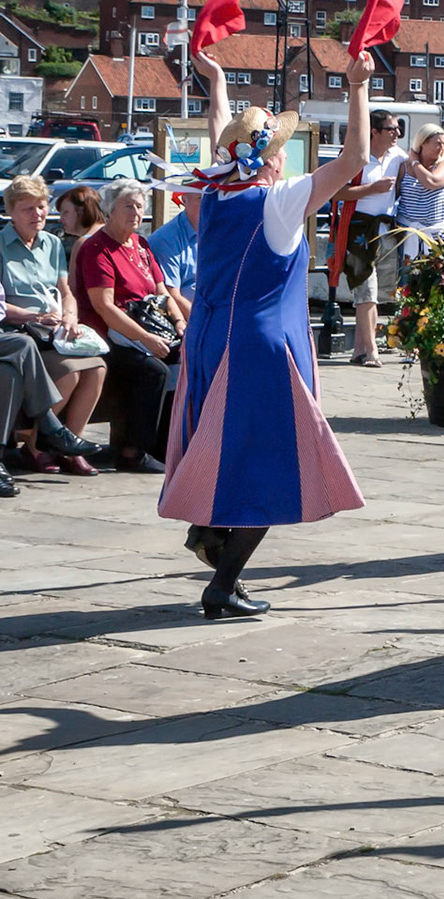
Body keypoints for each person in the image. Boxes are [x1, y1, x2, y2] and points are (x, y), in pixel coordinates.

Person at [158, 49, 371, 619]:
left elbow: (219, 134)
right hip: (260, 350)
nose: (282, 160)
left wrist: (219, 81)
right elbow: (355, 159)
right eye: (277, 151)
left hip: (208, 340)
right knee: (274, 464)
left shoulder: (209, 199)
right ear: (269, 161)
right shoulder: (277, 204)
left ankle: (211, 528)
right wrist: (357, 88)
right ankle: (223, 581)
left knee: (221, 446)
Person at [1, 175, 111, 476]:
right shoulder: (1, 245)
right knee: (69, 373)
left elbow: (65, 291)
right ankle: (38, 445)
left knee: (97, 367)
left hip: (53, 331)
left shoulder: (51, 243)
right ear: (11, 212)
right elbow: (1, 307)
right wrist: (34, 316)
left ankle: (67, 445)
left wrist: (70, 316)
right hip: (19, 330)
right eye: (28, 209)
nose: (37, 214)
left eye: (41, 207)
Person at [75, 179, 185, 473]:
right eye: (127, 205)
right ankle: (132, 451)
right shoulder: (98, 249)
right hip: (111, 337)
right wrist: (147, 338)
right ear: (110, 210)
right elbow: (104, 307)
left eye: (139, 206)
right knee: (153, 370)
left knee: (187, 357)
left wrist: (179, 323)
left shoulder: (141, 245)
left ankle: (168, 445)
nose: (135, 212)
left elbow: (162, 292)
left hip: (152, 328)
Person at [339, 108, 407, 367]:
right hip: (358, 229)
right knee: (366, 291)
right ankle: (371, 351)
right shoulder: (355, 156)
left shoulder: (398, 157)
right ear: (374, 131)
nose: (397, 134)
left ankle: (358, 349)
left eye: (399, 129)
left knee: (373, 293)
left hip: (385, 230)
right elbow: (336, 193)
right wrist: (372, 189)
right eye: (391, 129)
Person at [395, 121, 444, 261]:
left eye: (443, 144)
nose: (441, 148)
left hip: (436, 235)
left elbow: (431, 182)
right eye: (437, 143)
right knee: (405, 278)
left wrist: (415, 162)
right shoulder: (404, 167)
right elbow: (393, 193)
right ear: (422, 143)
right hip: (408, 232)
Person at [146, 192, 200, 327]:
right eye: (200, 198)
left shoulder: (215, 231)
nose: (208, 204)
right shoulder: (166, 239)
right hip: (188, 321)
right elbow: (171, 294)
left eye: (211, 198)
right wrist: (206, 325)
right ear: (184, 200)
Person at [56, 186, 103, 279]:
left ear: (82, 211)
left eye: (65, 212)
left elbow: (74, 288)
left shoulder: (83, 243)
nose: (60, 219)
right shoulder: (113, 233)